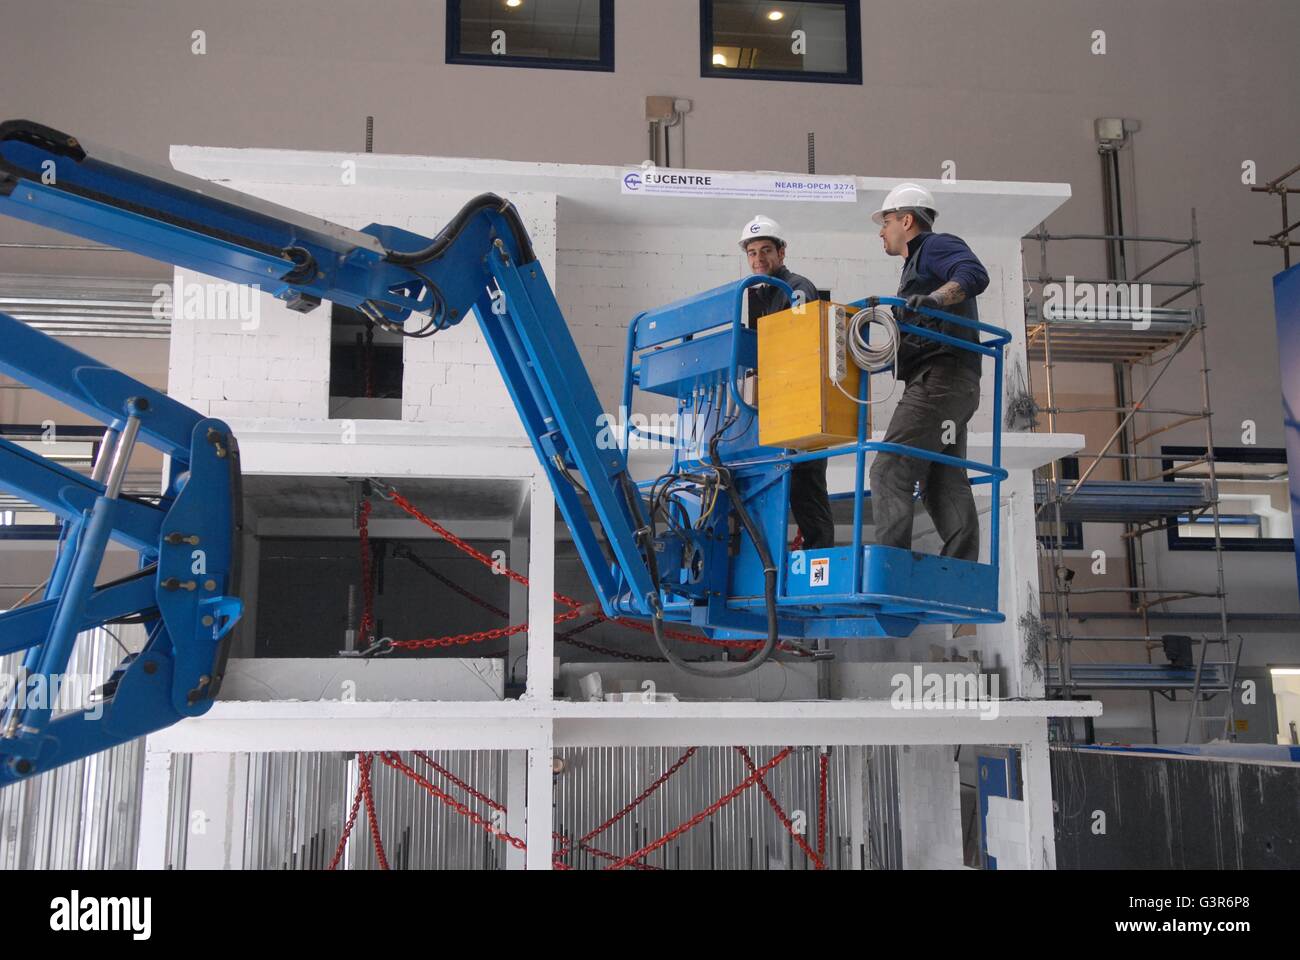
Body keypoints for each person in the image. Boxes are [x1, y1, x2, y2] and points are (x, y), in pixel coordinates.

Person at [868, 184, 989, 561]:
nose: (881, 231)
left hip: (941, 379)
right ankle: (962, 571)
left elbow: (974, 274)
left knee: (889, 470)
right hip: (953, 385)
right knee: (940, 478)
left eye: (886, 222)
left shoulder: (934, 247)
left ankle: (892, 570)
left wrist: (936, 298)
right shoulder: (914, 267)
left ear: (907, 220)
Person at [739, 215, 835, 550]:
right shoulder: (758, 296)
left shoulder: (795, 287)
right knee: (783, 487)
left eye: (766, 250)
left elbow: (798, 343)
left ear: (781, 252)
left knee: (806, 488)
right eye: (752, 252)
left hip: (801, 404)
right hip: (777, 407)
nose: (758, 258)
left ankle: (818, 557)